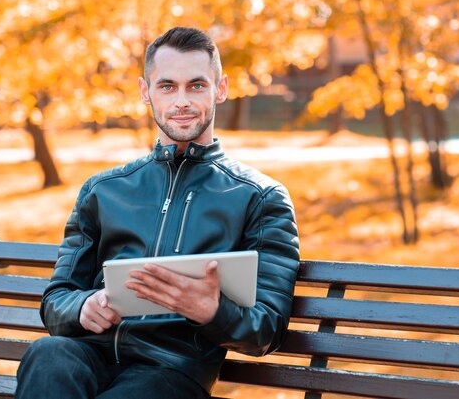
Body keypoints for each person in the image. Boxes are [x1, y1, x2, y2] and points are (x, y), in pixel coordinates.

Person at [16, 26, 300, 399]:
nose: (181, 101)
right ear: (145, 92)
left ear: (221, 88)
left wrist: (212, 310)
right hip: (90, 354)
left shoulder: (260, 199)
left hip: (171, 371)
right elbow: (56, 299)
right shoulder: (103, 191)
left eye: (196, 85)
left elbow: (267, 329)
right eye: (167, 86)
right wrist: (83, 306)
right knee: (47, 353)